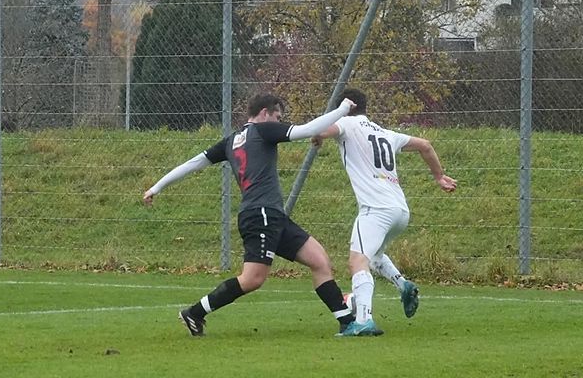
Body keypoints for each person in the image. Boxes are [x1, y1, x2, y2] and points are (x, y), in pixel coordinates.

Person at [143, 94, 369, 337]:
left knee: (319, 261)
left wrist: (157, 187)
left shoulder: (231, 140)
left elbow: (193, 163)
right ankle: (194, 313)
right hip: (260, 215)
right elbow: (308, 130)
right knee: (252, 279)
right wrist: (343, 109)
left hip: (272, 215)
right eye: (277, 117)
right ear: (264, 113)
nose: (279, 122)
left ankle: (347, 323)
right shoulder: (263, 131)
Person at [313, 88, 457, 335]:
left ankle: (363, 321)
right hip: (399, 210)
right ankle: (403, 285)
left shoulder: (347, 123)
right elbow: (425, 145)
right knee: (374, 256)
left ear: (345, 107)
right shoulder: (384, 132)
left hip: (375, 208)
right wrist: (439, 176)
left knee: (358, 262)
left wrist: (318, 135)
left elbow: (320, 129)